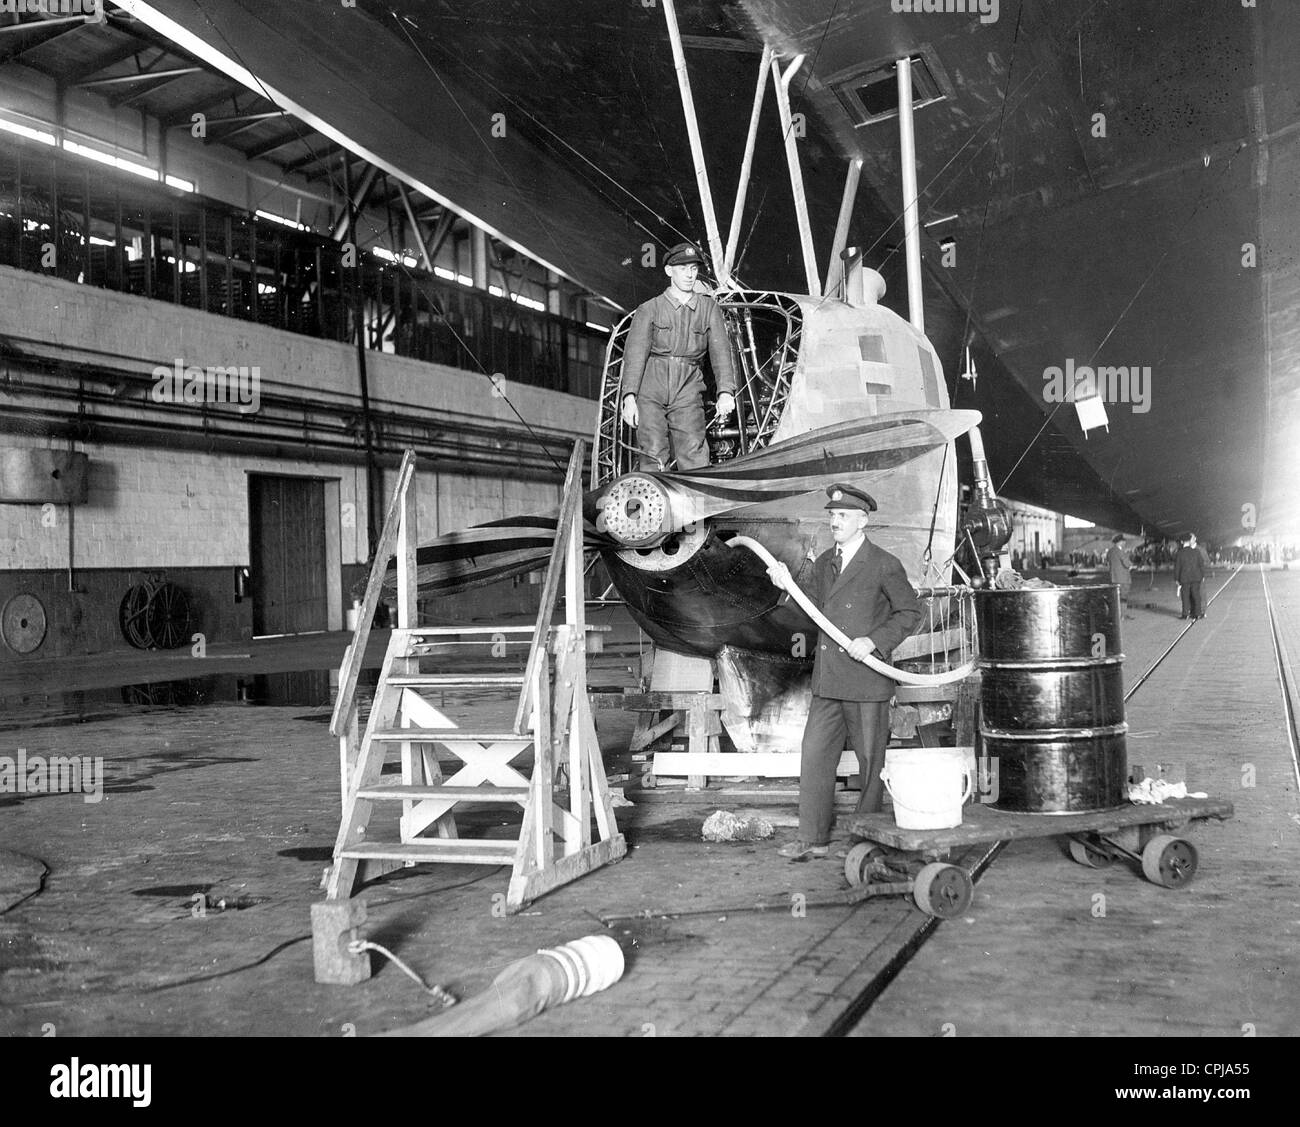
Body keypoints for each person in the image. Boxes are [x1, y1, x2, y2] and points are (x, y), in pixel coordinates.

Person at [765, 484, 923, 860]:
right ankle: (811, 837)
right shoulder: (822, 563)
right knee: (815, 754)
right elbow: (813, 613)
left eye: (842, 516)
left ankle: (865, 842)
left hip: (867, 679)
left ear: (862, 521)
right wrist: (785, 587)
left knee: (870, 764)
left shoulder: (884, 564)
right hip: (829, 678)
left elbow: (910, 613)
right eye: (832, 515)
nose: (834, 521)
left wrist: (874, 641)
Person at [619, 242, 737, 471]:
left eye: (693, 269)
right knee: (652, 452)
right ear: (669, 271)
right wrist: (629, 397)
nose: (689, 275)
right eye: (683, 268)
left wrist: (725, 392)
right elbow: (634, 355)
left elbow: (721, 352)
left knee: (694, 450)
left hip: (688, 385)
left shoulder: (708, 308)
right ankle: (656, 506)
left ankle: (697, 506)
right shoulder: (649, 309)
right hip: (651, 386)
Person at [1175, 532, 1207, 619]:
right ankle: (1198, 613)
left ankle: (1185, 614)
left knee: (1185, 596)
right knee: (1197, 595)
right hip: (1196, 578)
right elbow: (1201, 565)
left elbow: (1177, 567)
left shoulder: (1180, 553)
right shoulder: (1196, 552)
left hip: (1184, 579)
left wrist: (1177, 579)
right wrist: (1202, 576)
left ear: (1182, 542)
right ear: (1189, 541)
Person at [1107, 533, 1134, 618]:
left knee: (1116, 597)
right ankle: (1123, 615)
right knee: (1123, 597)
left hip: (1114, 578)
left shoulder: (1110, 551)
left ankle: (1117, 616)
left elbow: (1109, 562)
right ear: (1120, 542)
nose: (1125, 543)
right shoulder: (1121, 552)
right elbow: (1127, 564)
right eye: (1123, 541)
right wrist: (1132, 565)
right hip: (1123, 579)